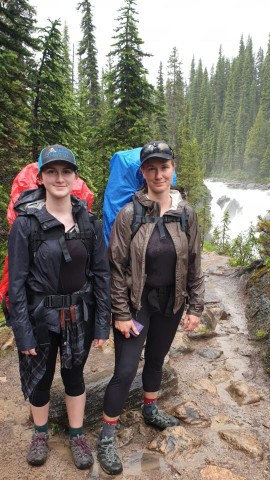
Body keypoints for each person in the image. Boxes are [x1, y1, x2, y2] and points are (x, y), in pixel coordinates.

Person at [97, 140, 205, 475]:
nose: (159, 174)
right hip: (136, 304)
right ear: (143, 172)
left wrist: (195, 306)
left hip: (171, 303)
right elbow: (115, 268)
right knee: (125, 370)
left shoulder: (186, 214)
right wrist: (122, 314)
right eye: (151, 168)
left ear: (173, 169)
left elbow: (194, 263)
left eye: (164, 167)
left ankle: (150, 407)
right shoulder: (130, 214)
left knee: (156, 359)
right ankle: (107, 434)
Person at [8, 145, 111, 470]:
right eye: (51, 171)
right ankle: (41, 433)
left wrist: (101, 325)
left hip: (79, 316)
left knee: (74, 376)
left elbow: (101, 275)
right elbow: (17, 283)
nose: (59, 177)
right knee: (40, 379)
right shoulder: (25, 225)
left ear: (75, 176)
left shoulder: (88, 223)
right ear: (40, 178)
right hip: (39, 318)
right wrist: (22, 334)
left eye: (66, 171)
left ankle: (77, 434)